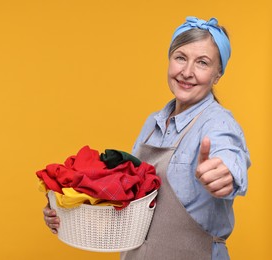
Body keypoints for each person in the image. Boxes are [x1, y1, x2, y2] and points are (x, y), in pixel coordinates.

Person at [42, 16, 250, 260]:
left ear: (218, 74)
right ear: (170, 60)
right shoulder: (153, 124)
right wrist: (67, 213)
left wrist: (226, 175)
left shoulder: (218, 123)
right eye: (181, 58)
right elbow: (130, 205)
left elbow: (230, 157)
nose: (187, 72)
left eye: (202, 63)